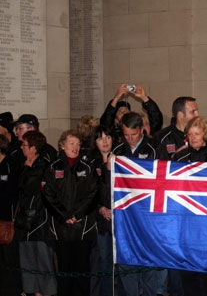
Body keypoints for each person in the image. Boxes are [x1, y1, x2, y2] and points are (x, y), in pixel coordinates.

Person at [111, 112, 165, 296]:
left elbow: (163, 178)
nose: (130, 139)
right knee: (127, 258)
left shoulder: (155, 147)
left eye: (133, 135)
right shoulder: (118, 150)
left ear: (141, 130)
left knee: (150, 257)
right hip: (126, 216)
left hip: (149, 215)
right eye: (126, 135)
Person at [172, 116, 207, 296]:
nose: (193, 137)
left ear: (205, 135)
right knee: (188, 270)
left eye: (197, 134)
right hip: (186, 220)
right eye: (190, 134)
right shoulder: (180, 157)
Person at [43, 129, 98, 296]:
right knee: (64, 268)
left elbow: (93, 193)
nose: (75, 147)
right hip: (61, 227)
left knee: (82, 269)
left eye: (78, 144)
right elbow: (48, 194)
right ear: (62, 145)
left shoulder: (88, 167)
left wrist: (77, 215)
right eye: (72, 143)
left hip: (83, 227)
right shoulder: (53, 166)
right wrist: (64, 216)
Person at [15, 130, 57, 296]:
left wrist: (27, 169)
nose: (22, 148)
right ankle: (32, 290)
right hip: (25, 218)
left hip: (40, 219)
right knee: (27, 257)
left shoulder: (43, 165)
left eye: (25, 145)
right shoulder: (25, 164)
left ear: (33, 148)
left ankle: (46, 291)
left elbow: (31, 187)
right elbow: (19, 186)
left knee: (42, 258)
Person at [90, 125, 115, 296]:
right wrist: (100, 208)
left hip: (119, 218)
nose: (105, 141)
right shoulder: (91, 162)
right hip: (99, 220)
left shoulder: (122, 160)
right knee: (103, 260)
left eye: (108, 137)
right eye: (100, 138)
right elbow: (88, 191)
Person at [0, 134, 22, 296]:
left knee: (9, 258)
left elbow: (10, 194)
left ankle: (12, 290)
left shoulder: (9, 165)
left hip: (7, 220)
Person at [153, 96, 200, 160]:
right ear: (180, 115)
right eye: (193, 111)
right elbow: (156, 165)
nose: (197, 115)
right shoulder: (162, 137)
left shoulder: (204, 134)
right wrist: (176, 157)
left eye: (197, 111)